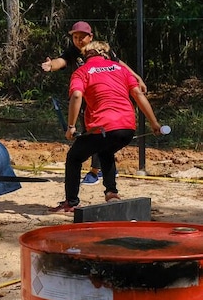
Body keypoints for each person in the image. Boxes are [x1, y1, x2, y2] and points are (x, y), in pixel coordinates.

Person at [49, 41, 164, 213]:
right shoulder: (121, 69)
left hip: (102, 127)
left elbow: (77, 95)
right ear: (106, 54)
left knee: (74, 157)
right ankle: (111, 192)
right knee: (105, 151)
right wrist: (154, 123)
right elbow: (138, 94)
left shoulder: (82, 71)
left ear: (85, 56)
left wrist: (71, 126)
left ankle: (71, 202)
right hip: (126, 128)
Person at [41, 20, 147, 185]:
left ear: (90, 37)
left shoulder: (100, 51)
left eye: (82, 37)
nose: (78, 40)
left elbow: (119, 63)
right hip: (87, 101)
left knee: (98, 135)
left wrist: (136, 77)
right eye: (75, 37)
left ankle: (95, 172)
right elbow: (61, 61)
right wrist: (51, 65)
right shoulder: (72, 52)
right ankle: (106, 172)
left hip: (104, 101)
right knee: (95, 136)